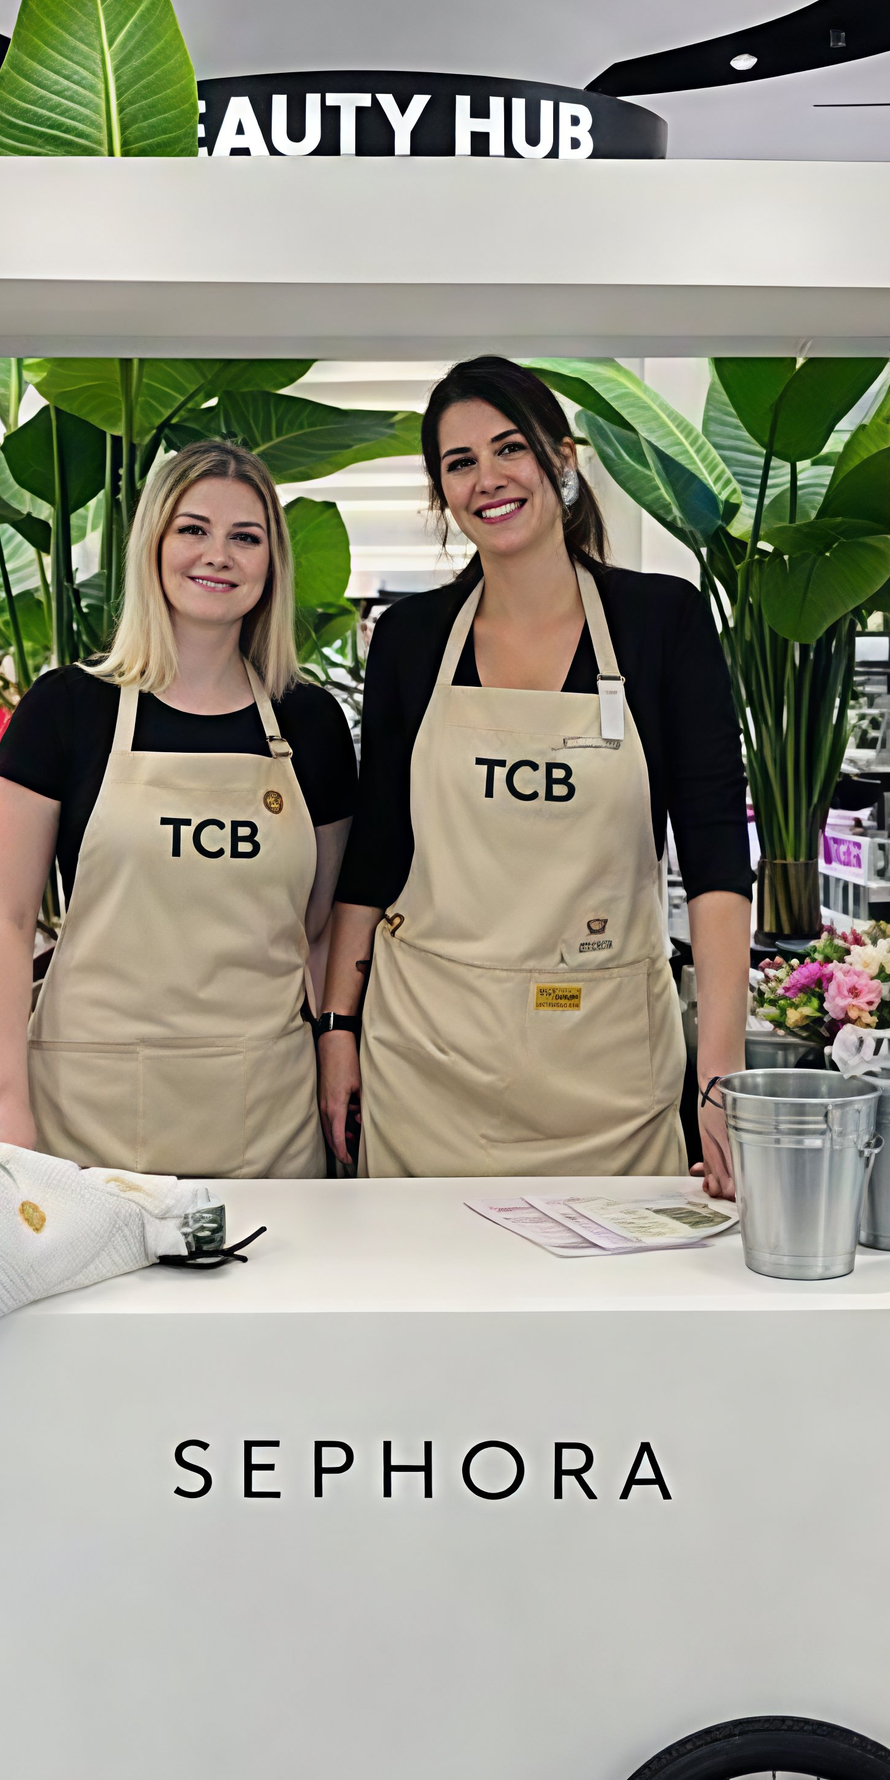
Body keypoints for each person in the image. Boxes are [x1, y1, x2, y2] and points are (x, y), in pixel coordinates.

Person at [319, 356, 752, 1193]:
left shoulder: (662, 622)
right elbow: (377, 848)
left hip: (607, 1063)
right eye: (460, 463)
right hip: (429, 1057)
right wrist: (338, 1026)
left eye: (509, 448)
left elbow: (714, 857)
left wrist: (719, 1073)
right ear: (442, 492)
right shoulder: (411, 639)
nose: (488, 479)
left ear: (562, 457)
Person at [0, 440, 355, 1177]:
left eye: (245, 537)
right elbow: (7, 920)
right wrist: (4, 1105)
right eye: (193, 529)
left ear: (272, 562)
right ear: (152, 542)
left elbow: (319, 929)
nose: (218, 555)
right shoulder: (67, 710)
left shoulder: (310, 723)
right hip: (87, 1111)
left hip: (265, 1113)